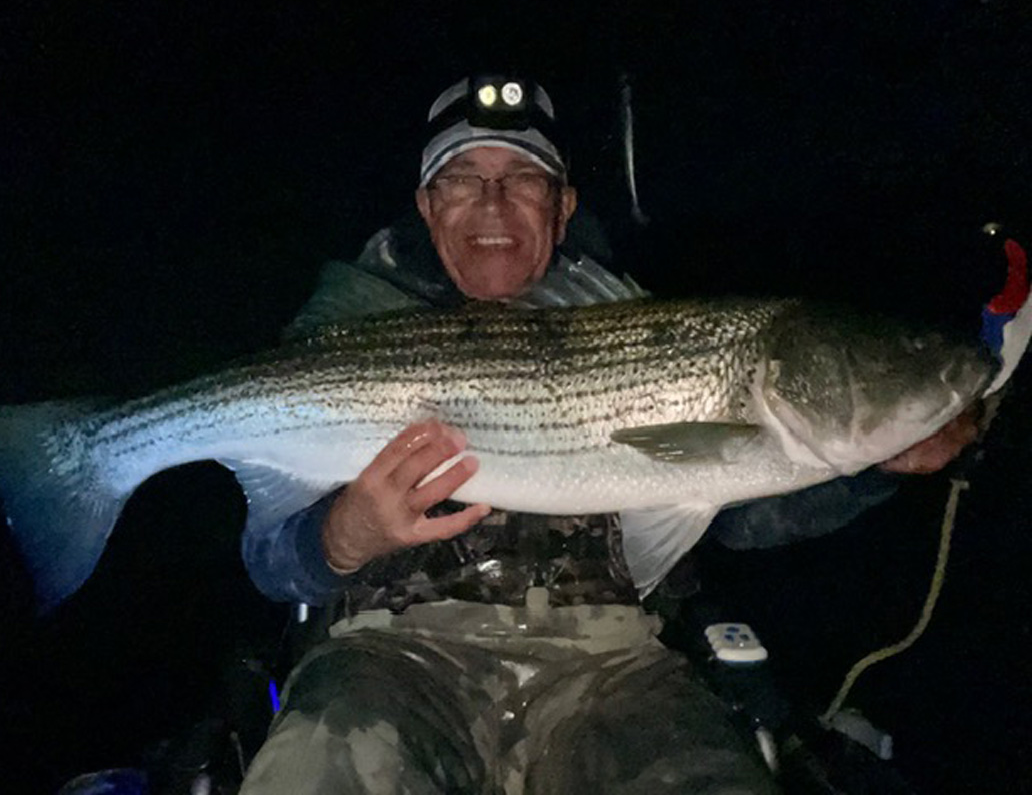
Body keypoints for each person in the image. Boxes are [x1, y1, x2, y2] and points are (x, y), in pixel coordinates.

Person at [237, 75, 979, 795]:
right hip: (390, 665)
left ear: (561, 208)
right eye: (464, 178)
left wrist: (882, 464)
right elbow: (271, 565)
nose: (493, 203)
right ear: (429, 209)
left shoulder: (646, 322)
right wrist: (344, 534)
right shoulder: (358, 339)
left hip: (614, 675)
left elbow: (746, 516)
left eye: (523, 179)